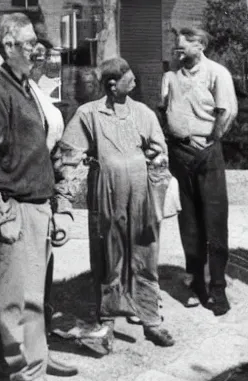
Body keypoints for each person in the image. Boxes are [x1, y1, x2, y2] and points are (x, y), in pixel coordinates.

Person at [0, 12, 72, 381]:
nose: (37, 51)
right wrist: (1, 210)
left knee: (33, 294)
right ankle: (24, 373)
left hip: (36, 204)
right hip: (15, 207)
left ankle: (36, 361)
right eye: (30, 45)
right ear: (8, 46)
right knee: (18, 297)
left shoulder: (23, 87)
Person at [54, 58, 175, 349]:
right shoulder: (88, 114)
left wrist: (156, 194)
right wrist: (64, 201)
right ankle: (107, 319)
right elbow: (67, 157)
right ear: (112, 84)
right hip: (107, 194)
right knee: (109, 255)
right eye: (129, 79)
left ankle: (150, 321)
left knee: (145, 254)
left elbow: (160, 153)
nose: (134, 83)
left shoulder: (143, 113)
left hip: (142, 194)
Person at [161, 27, 237, 316]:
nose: (177, 51)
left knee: (214, 220)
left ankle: (217, 287)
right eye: (176, 47)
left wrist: (210, 141)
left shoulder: (217, 73)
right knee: (189, 221)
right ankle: (196, 280)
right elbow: (162, 109)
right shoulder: (171, 77)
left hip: (207, 154)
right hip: (178, 154)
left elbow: (226, 111)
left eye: (183, 47)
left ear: (200, 45)